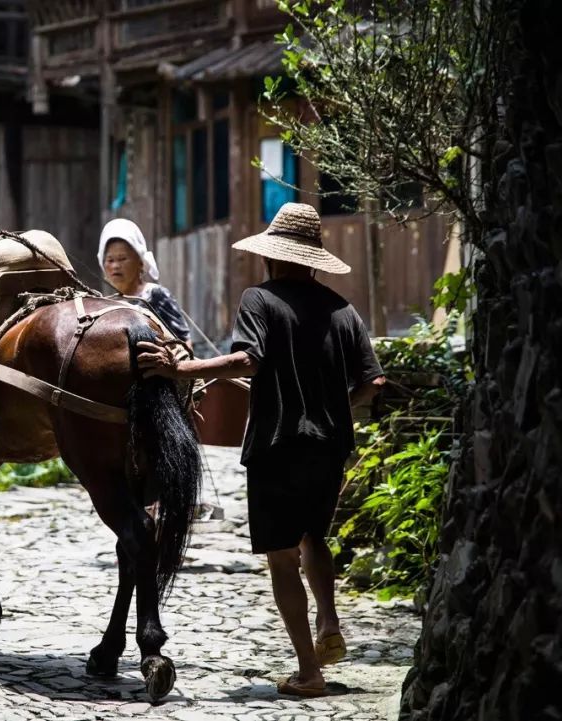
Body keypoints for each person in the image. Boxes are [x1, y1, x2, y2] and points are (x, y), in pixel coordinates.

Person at [137, 202, 385, 697]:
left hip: (277, 446)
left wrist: (179, 370)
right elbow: (375, 382)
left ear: (272, 255)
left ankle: (309, 672)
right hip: (330, 446)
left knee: (280, 557)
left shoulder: (260, 299)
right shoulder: (344, 310)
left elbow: (248, 360)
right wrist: (337, 408)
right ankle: (329, 619)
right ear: (313, 258)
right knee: (315, 537)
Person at [98, 218, 192, 348]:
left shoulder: (155, 295)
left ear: (140, 262)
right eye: (110, 260)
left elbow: (184, 344)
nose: (115, 266)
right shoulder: (106, 304)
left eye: (122, 259)